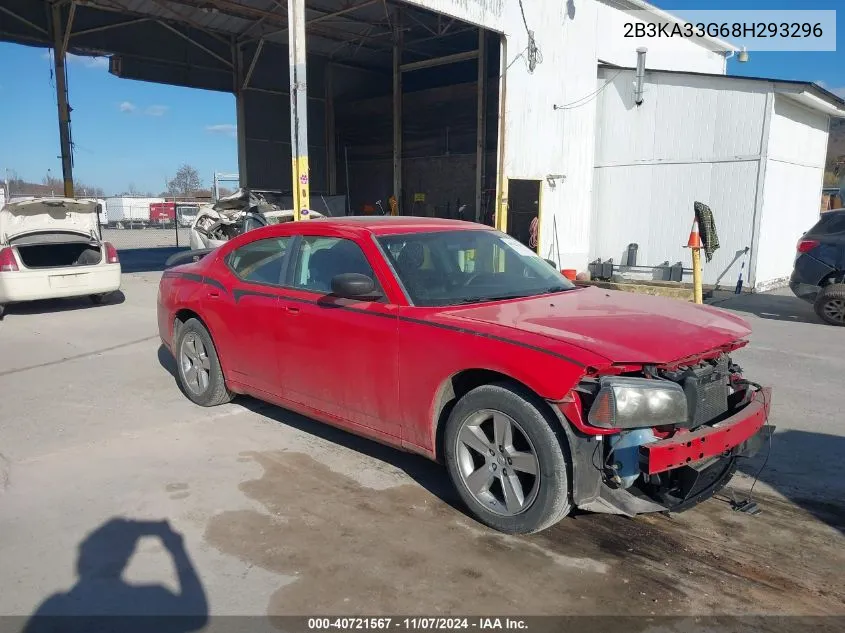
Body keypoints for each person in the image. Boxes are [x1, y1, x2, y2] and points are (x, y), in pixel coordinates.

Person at [23, 518, 208, 633]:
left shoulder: (57, 607)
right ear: (126, 558)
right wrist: (177, 549)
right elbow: (197, 616)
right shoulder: (154, 596)